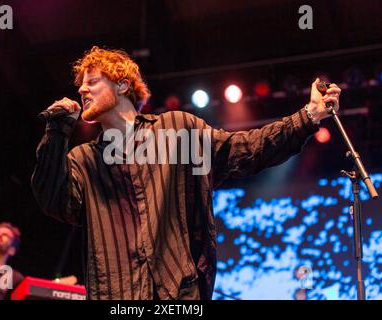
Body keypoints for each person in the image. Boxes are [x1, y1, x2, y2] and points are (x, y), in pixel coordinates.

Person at [31, 46, 341, 300]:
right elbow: (54, 200)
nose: (82, 88)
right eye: (81, 84)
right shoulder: (84, 160)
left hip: (178, 295)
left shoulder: (177, 129)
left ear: (122, 84)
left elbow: (244, 150)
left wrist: (309, 115)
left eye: (92, 80)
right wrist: (57, 129)